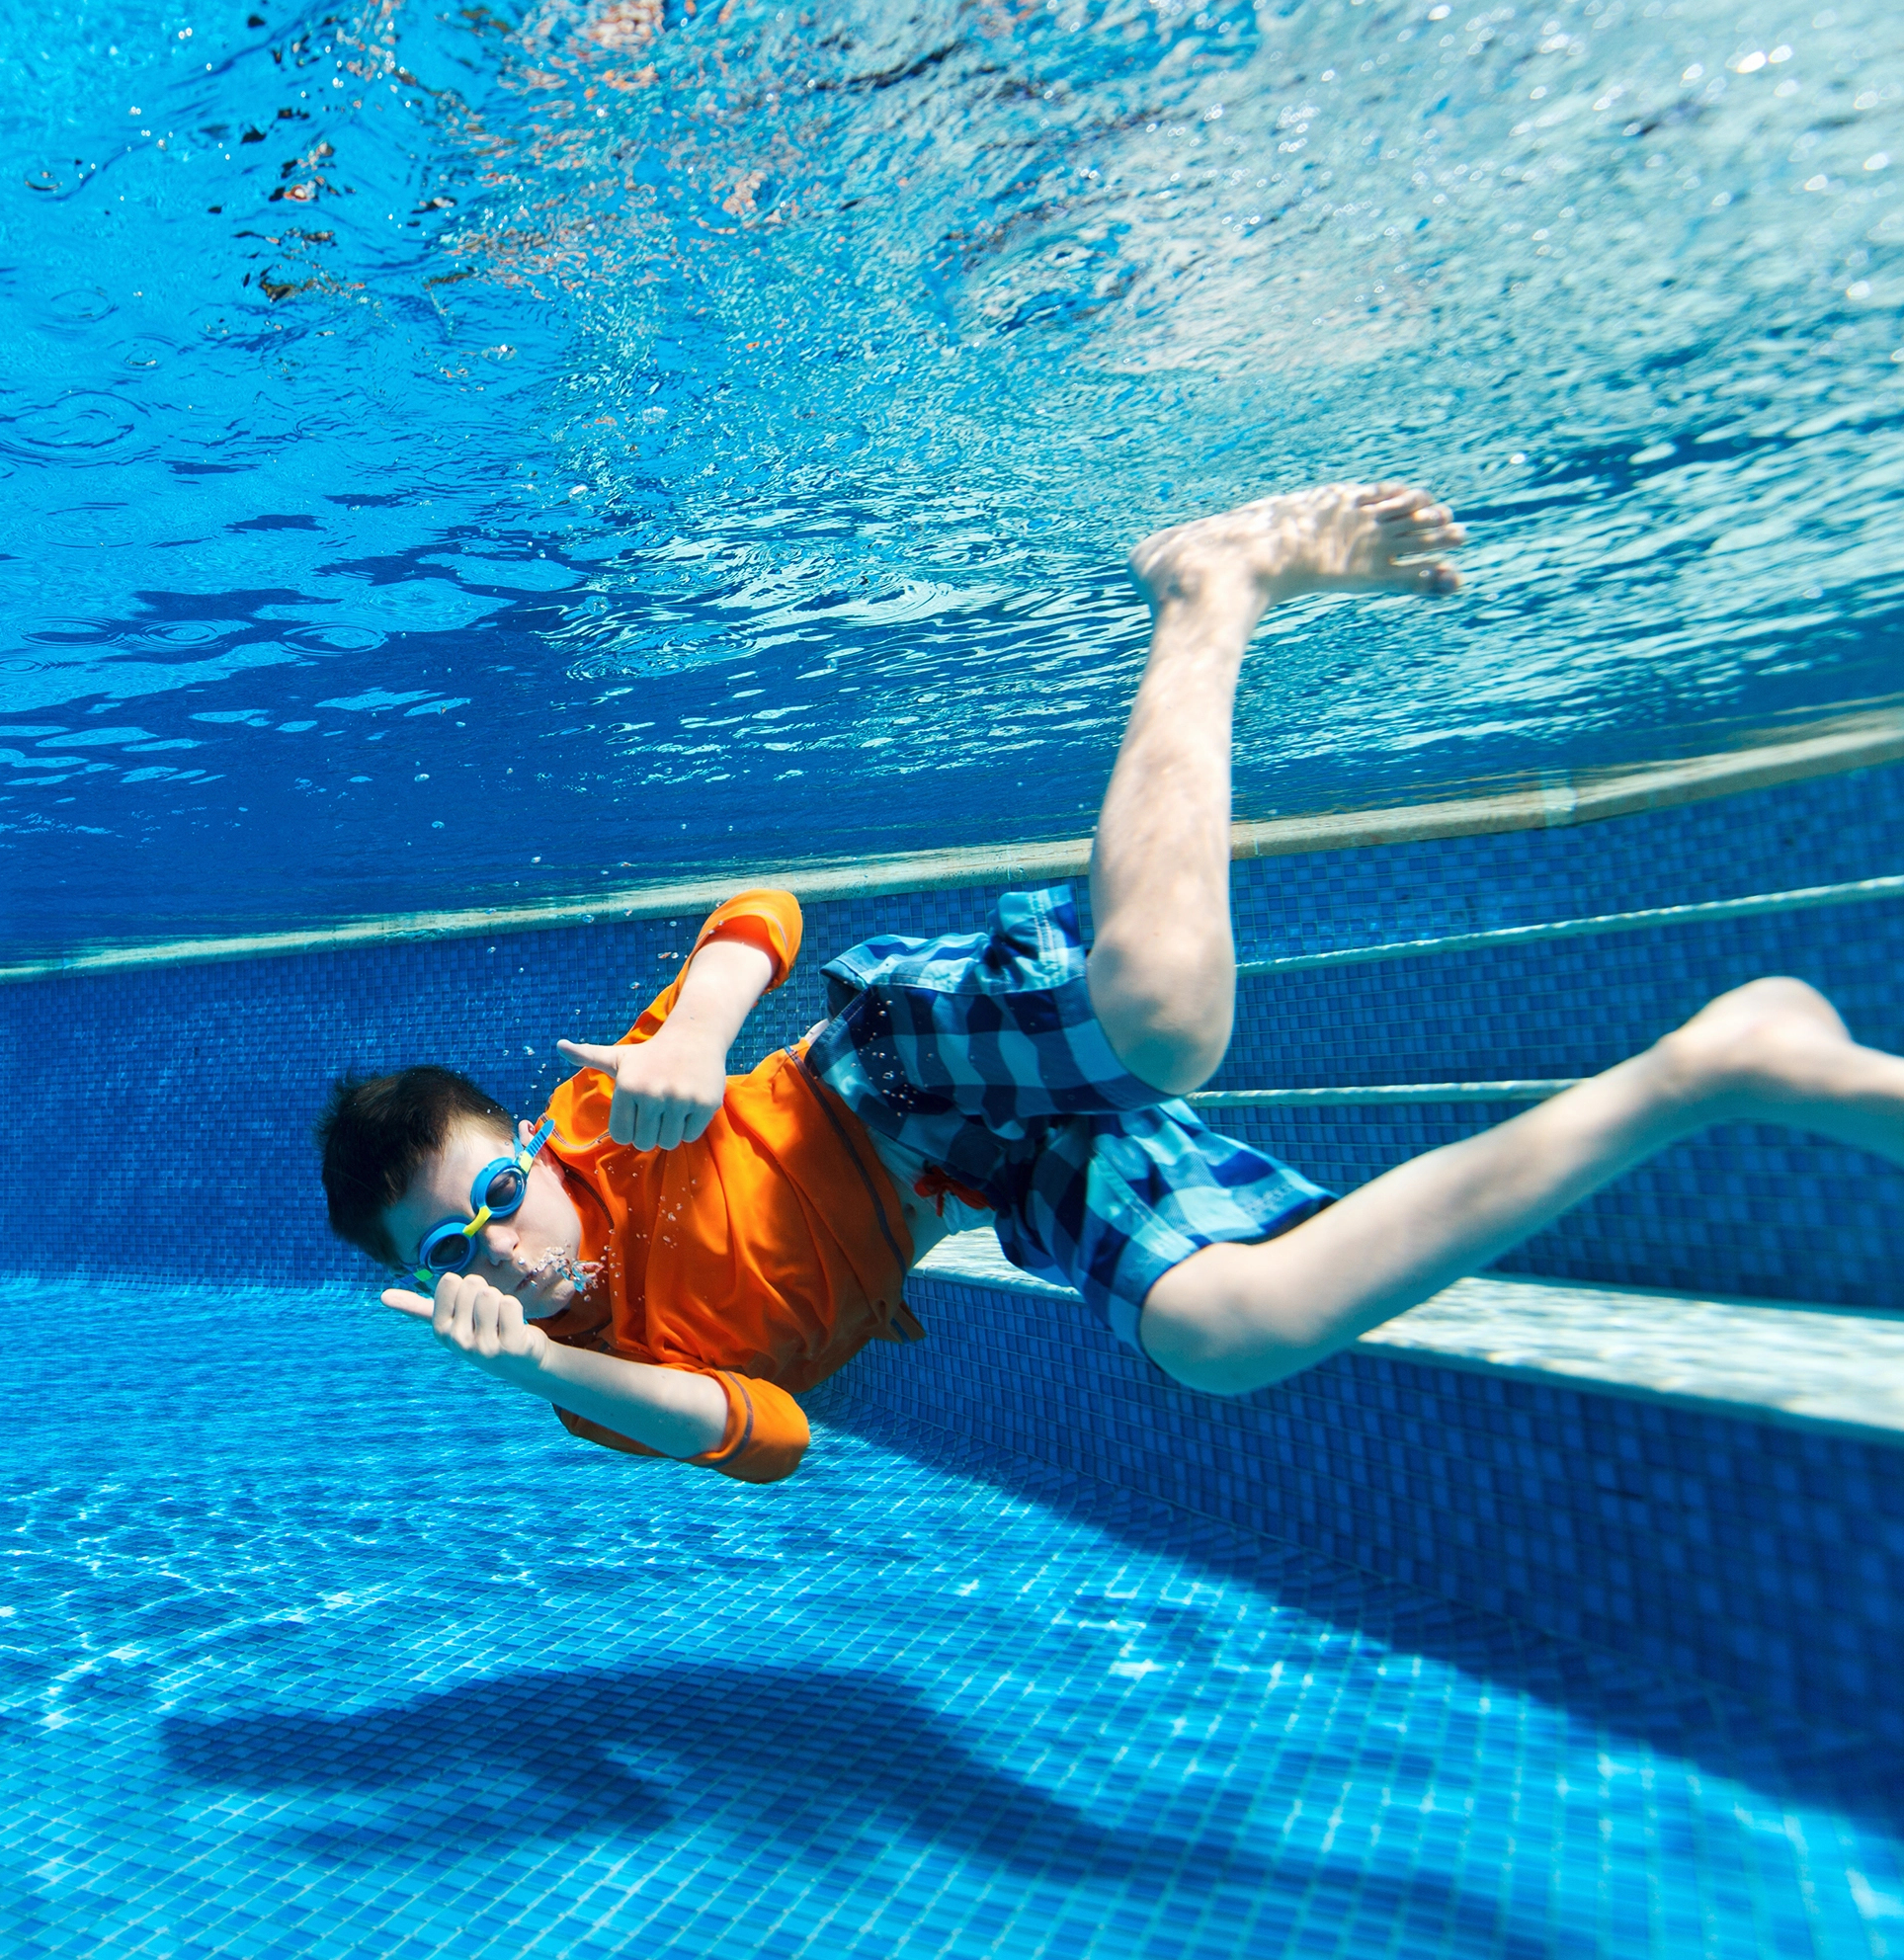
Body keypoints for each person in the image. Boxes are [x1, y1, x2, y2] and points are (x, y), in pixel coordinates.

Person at [323, 483, 1904, 1482]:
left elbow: (762, 910)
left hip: (883, 1075)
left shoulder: (609, 1124)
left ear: (528, 1142)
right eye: (458, 1245)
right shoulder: (591, 1388)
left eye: (495, 1192)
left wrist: (705, 1025)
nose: (503, 1243)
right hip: (991, 1175)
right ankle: (1712, 1067)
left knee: (1163, 1025)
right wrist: (542, 1366)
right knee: (1232, 1326)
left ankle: (1209, 591)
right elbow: (774, 1434)